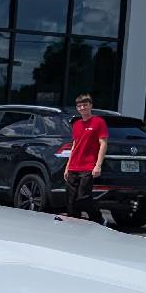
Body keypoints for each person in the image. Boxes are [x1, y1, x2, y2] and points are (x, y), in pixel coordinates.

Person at [62, 94, 108, 222]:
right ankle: (74, 223)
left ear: (91, 106)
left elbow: (103, 144)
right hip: (73, 166)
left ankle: (98, 219)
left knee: (83, 197)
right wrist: (67, 167)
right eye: (80, 106)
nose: (82, 108)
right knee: (70, 200)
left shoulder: (99, 122)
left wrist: (98, 165)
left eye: (85, 105)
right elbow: (75, 146)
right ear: (77, 108)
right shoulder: (76, 124)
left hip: (88, 166)